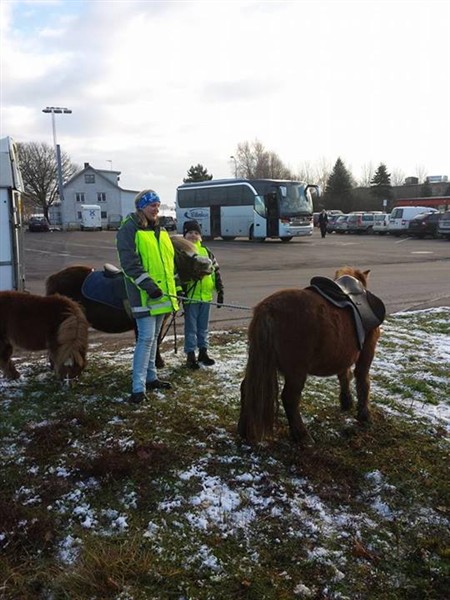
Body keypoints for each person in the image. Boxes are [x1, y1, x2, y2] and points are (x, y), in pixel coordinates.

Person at [116, 189, 179, 404]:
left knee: (154, 340)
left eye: (158, 205)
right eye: (153, 205)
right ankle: (137, 387)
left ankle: (151, 377)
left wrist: (175, 286)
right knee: (144, 338)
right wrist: (148, 285)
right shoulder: (129, 228)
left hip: (162, 295)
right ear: (141, 206)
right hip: (144, 295)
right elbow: (129, 264)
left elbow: (167, 263)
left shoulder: (159, 230)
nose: (156, 209)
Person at [181, 220, 224, 369]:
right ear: (184, 235)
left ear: (200, 236)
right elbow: (179, 274)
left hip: (206, 296)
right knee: (191, 328)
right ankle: (190, 355)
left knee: (203, 327)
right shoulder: (183, 252)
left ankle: (203, 352)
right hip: (191, 297)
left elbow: (216, 271)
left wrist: (220, 290)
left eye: (196, 233)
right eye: (190, 233)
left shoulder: (206, 251)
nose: (193, 235)